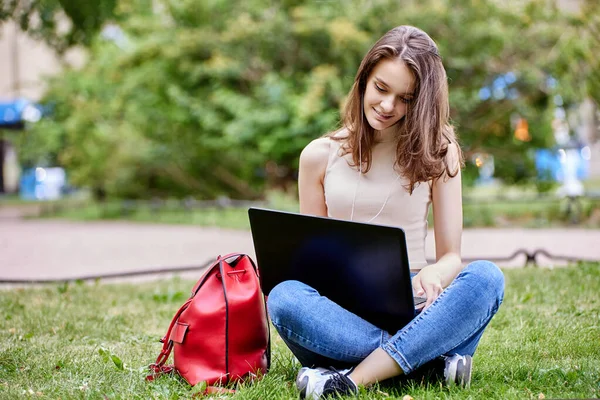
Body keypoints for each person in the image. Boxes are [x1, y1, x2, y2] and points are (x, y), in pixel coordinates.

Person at [266, 25, 505, 399]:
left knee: (487, 277)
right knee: (283, 296)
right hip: (341, 313)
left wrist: (435, 272)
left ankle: (349, 380)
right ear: (363, 80)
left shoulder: (440, 152)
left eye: (406, 98)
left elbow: (451, 257)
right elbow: (310, 264)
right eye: (381, 89)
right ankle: (428, 363)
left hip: (416, 305)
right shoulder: (319, 155)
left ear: (422, 101)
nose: (388, 106)